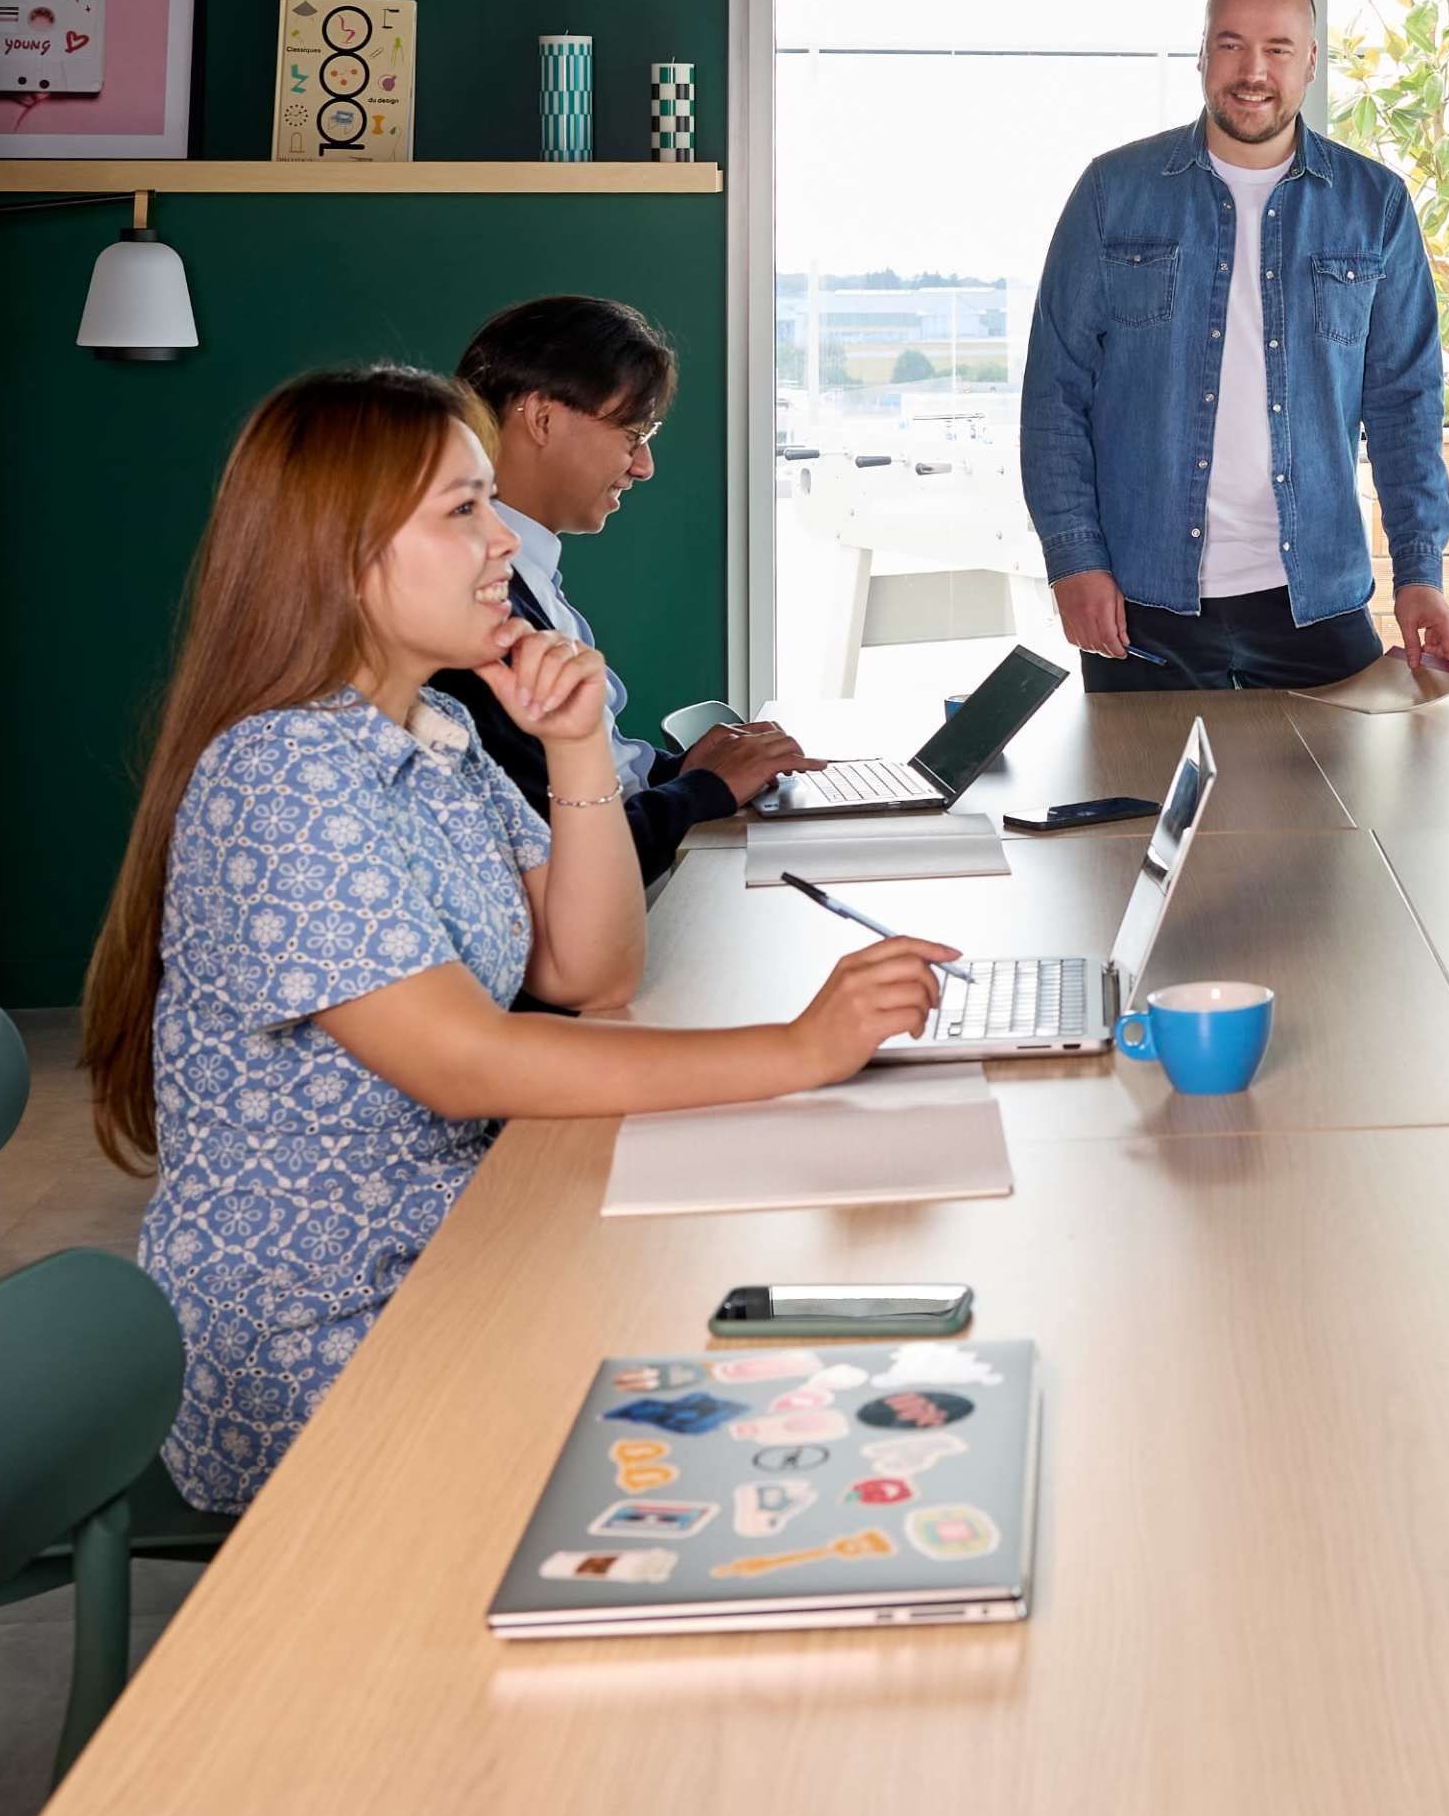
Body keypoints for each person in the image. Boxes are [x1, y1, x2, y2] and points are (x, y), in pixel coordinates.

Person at [84, 366, 955, 1513]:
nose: (502, 541)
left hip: (458, 1248)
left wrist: (578, 744)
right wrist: (796, 1051)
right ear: (340, 552)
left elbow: (590, 971)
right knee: (745, 1436)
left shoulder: (431, 730)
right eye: (461, 510)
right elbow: (465, 1062)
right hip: (326, 1337)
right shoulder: (284, 771)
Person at [1020, 0, 1449, 692]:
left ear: (1311, 61)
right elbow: (1055, 398)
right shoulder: (1111, 193)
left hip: (1319, 605)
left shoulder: (1374, 205)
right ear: (1201, 53)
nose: (1253, 71)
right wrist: (1074, 560)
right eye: (1230, 45)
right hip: (1139, 609)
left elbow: (1405, 406)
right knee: (1135, 806)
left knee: (1338, 809)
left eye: (1278, 49)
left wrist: (1419, 570)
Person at [428, 296, 817, 884]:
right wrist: (703, 788)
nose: (644, 465)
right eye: (633, 434)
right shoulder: (479, 615)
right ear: (542, 419)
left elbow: (596, 783)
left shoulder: (533, 580)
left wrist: (691, 771)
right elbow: (562, 857)